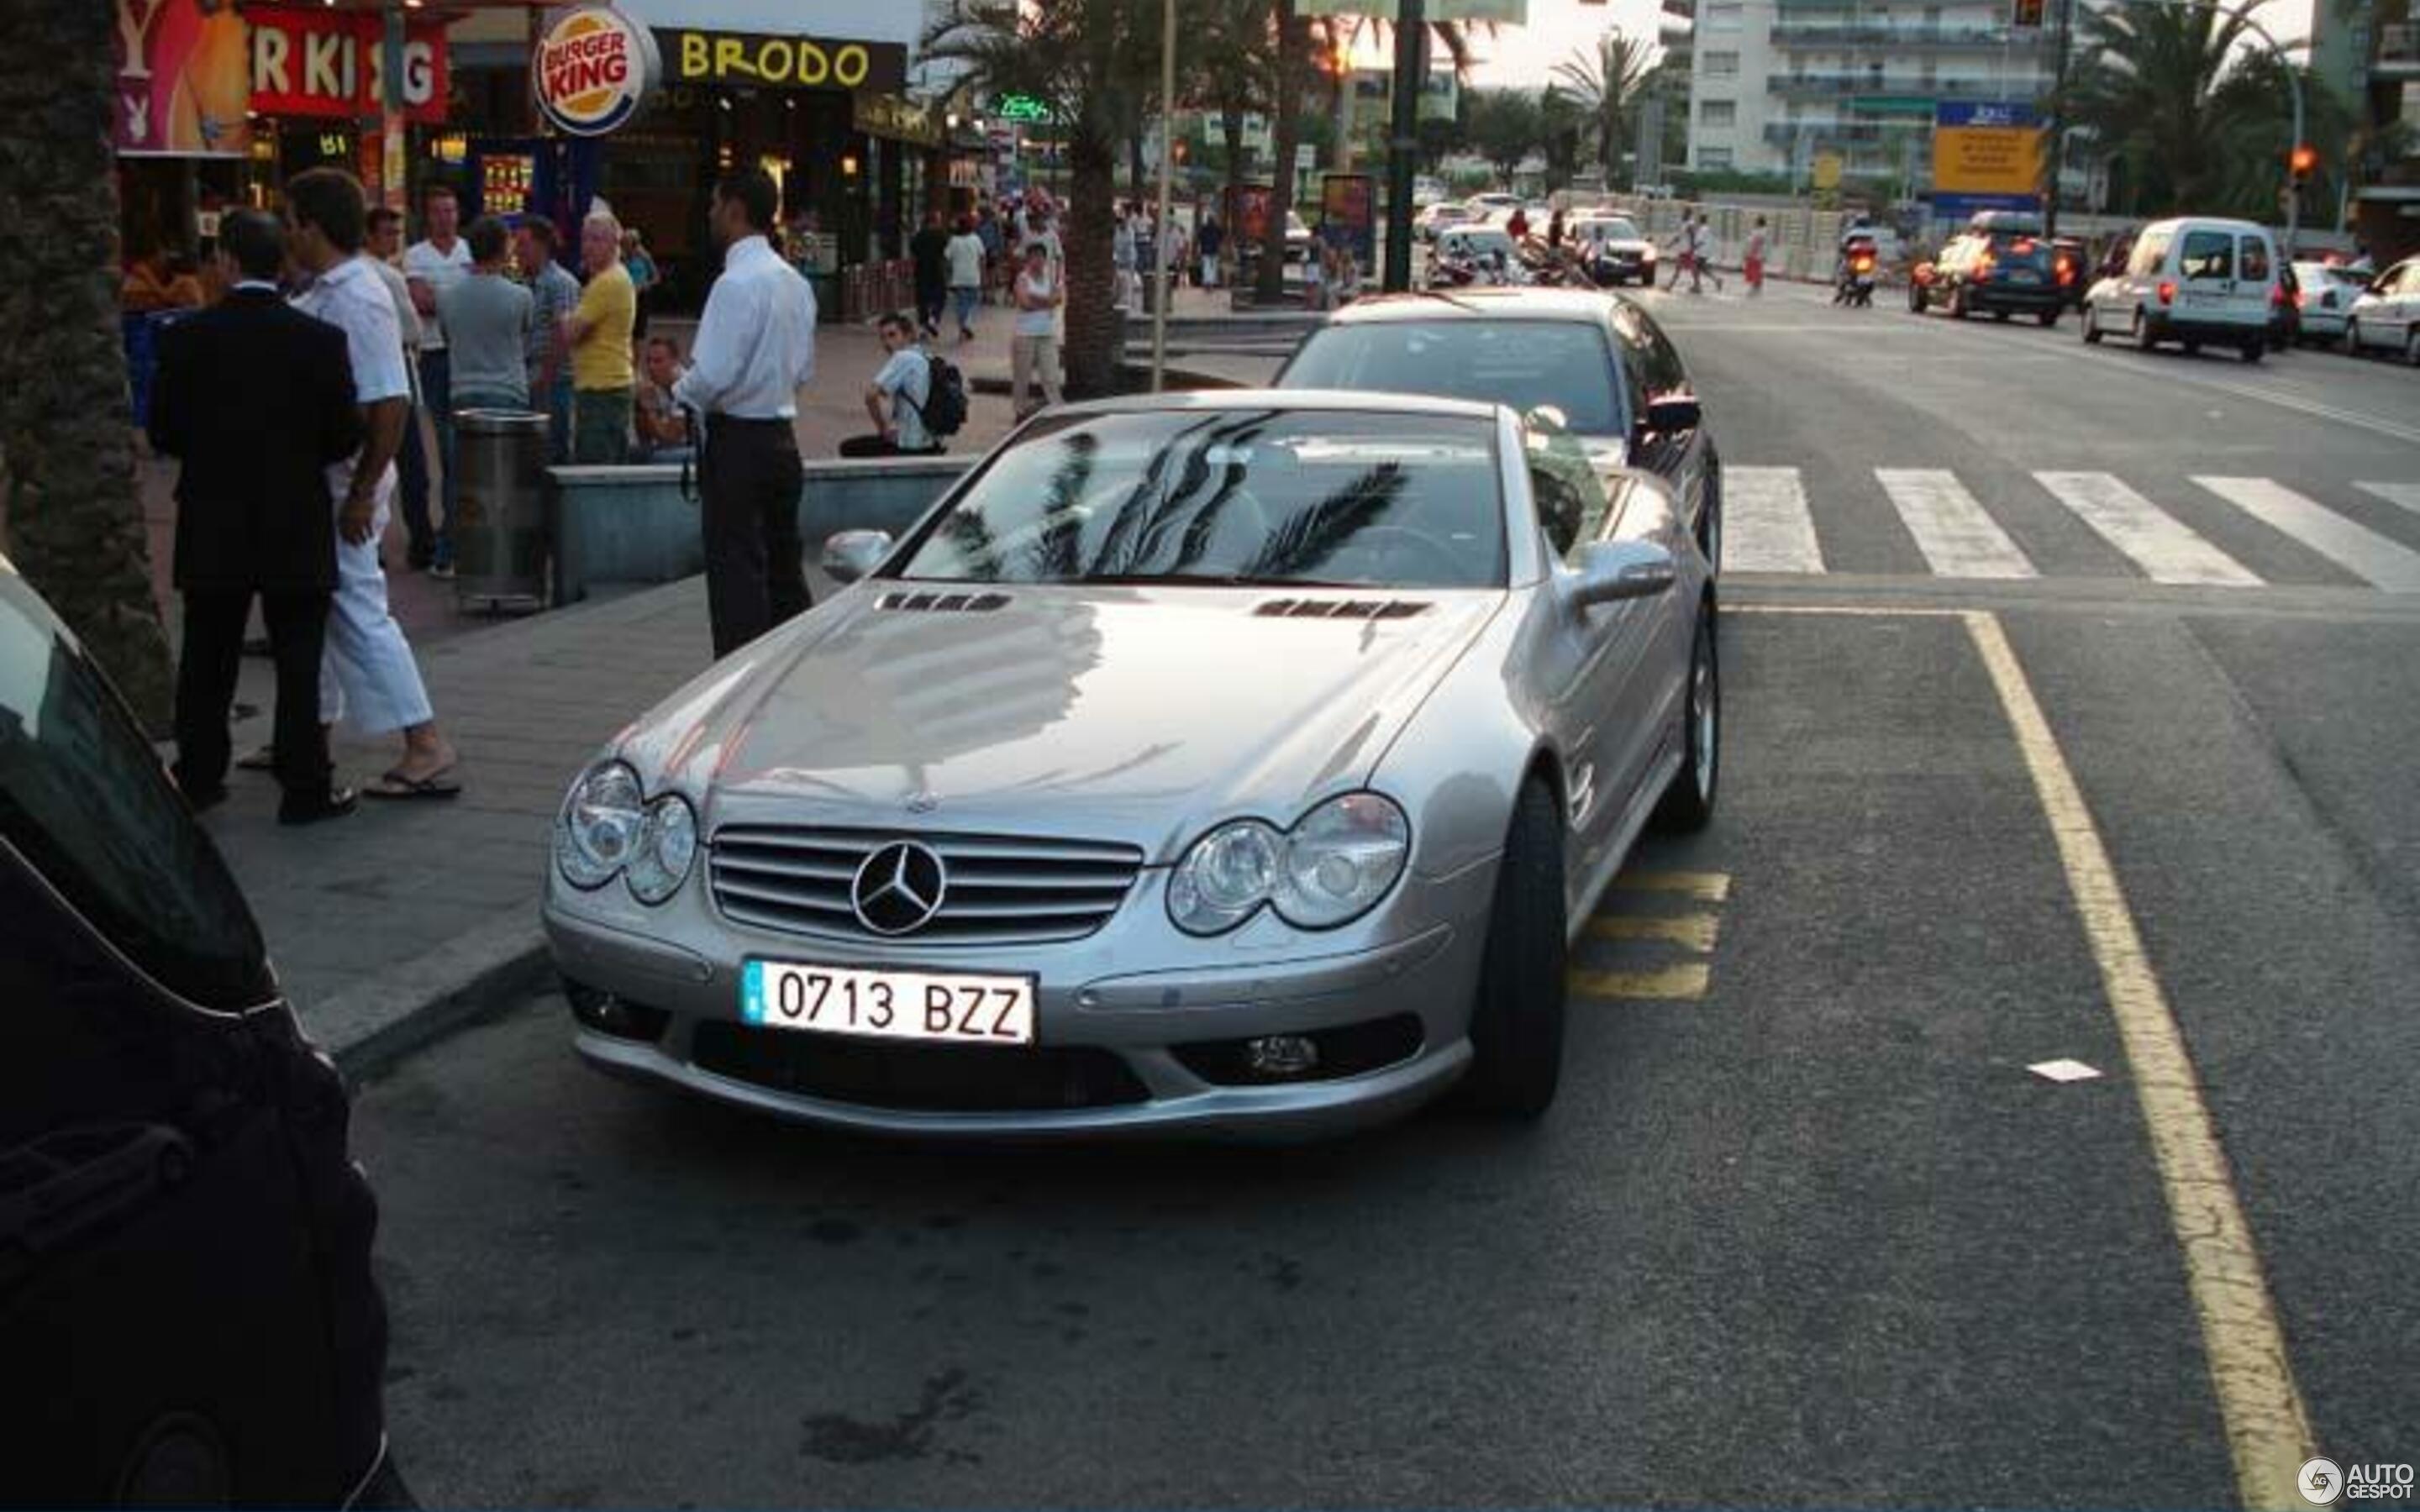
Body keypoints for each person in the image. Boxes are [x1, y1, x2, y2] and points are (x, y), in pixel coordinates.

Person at [148, 207, 362, 824]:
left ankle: (199, 774)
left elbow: (165, 430)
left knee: (208, 654)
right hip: (295, 515)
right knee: (299, 656)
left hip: (214, 516)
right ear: (281, 264)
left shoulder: (188, 337)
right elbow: (342, 434)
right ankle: (305, 785)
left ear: (228, 263)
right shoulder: (319, 341)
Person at [283, 168, 461, 801]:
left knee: (359, 607)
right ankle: (313, 728)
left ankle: (425, 742)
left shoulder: (356, 295)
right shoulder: (332, 288)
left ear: (311, 225)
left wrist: (361, 490)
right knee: (333, 604)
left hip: (346, 482)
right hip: (338, 478)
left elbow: (389, 401)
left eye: (291, 221)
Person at [674, 167, 819, 659]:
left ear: (735, 210)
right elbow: (800, 371)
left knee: (737, 576)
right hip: (782, 439)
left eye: (716, 205)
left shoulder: (734, 284)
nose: (711, 214)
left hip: (737, 443)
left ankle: (738, 683)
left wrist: (678, 386)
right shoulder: (795, 283)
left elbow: (711, 375)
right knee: (784, 569)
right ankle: (788, 677)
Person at [401, 184, 470, 574]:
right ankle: (446, 535)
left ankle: (454, 531)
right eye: (438, 211)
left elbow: (434, 301)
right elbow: (420, 303)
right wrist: (461, 300)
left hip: (464, 352)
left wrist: (442, 300)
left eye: (450, 210)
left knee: (461, 447)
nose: (445, 217)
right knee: (445, 445)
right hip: (433, 355)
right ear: (428, 216)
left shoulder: (468, 251)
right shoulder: (416, 256)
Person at [562, 210, 637, 465]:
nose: (588, 247)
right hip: (608, 385)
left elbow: (571, 333)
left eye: (597, 240)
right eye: (585, 239)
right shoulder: (615, 278)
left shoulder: (606, 283)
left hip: (601, 389)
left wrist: (563, 318)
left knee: (596, 467)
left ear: (614, 243)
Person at [434, 215, 532, 411]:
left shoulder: (446, 296)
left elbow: (447, 338)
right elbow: (524, 336)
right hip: (509, 390)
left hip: (462, 392)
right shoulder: (521, 296)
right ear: (503, 249)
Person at [515, 218, 581, 465]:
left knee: (553, 451)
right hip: (533, 378)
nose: (517, 251)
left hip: (553, 382)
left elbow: (563, 333)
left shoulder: (560, 282)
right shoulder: (528, 284)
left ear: (541, 246)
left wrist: (546, 377)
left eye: (523, 244)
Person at [840, 312, 942, 458]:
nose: (886, 343)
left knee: (847, 448)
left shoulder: (903, 357)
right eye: (883, 337)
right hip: (931, 443)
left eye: (892, 335)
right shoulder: (926, 356)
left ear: (908, 336)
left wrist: (883, 429)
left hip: (910, 446)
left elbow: (871, 395)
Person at [1010, 239, 1065, 421]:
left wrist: (1037, 299)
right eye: (1034, 257)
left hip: (1047, 333)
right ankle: (1020, 410)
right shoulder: (1022, 278)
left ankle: (1057, 408)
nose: (1038, 261)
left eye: (1041, 257)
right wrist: (1046, 302)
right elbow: (1024, 303)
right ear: (1028, 259)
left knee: (1051, 375)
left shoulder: (1049, 278)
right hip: (1025, 334)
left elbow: (1058, 299)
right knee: (1022, 375)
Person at [632, 337, 693, 463]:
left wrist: (650, 410)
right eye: (648, 361)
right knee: (631, 454)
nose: (651, 367)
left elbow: (671, 438)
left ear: (675, 362)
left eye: (658, 361)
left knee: (656, 459)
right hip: (672, 446)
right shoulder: (656, 387)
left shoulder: (685, 388)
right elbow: (644, 440)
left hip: (698, 449)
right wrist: (639, 409)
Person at [909, 209, 951, 340]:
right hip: (937, 269)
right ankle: (933, 319)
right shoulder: (942, 235)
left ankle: (923, 328)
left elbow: (913, 249)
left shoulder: (920, 235)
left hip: (921, 270)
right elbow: (946, 253)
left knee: (922, 300)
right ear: (936, 220)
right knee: (940, 297)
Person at [944, 214, 986, 342]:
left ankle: (963, 326)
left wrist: (948, 273)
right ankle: (966, 325)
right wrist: (983, 273)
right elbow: (982, 257)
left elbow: (947, 258)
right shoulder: (976, 239)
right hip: (973, 277)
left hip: (958, 277)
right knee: (972, 303)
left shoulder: (953, 240)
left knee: (961, 304)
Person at [621, 225, 659, 338]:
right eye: (625, 242)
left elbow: (656, 277)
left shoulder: (644, 256)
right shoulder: (622, 257)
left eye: (629, 242)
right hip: (626, 294)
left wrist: (645, 285)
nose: (626, 245)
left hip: (642, 295)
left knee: (639, 332)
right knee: (627, 329)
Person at [1744, 214, 1769, 297]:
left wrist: (1749, 252)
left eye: (1756, 222)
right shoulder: (1764, 231)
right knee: (1758, 269)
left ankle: (1755, 284)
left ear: (1758, 223)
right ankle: (1757, 284)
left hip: (1755, 253)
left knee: (1754, 269)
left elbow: (1753, 243)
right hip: (1759, 253)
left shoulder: (1757, 232)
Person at [1197, 213, 1223, 288]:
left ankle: (1207, 281)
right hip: (1214, 250)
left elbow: (1200, 238)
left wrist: (1201, 246)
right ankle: (1212, 281)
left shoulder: (1204, 229)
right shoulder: (1217, 229)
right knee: (1213, 266)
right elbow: (1220, 239)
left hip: (1205, 250)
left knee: (1206, 266)